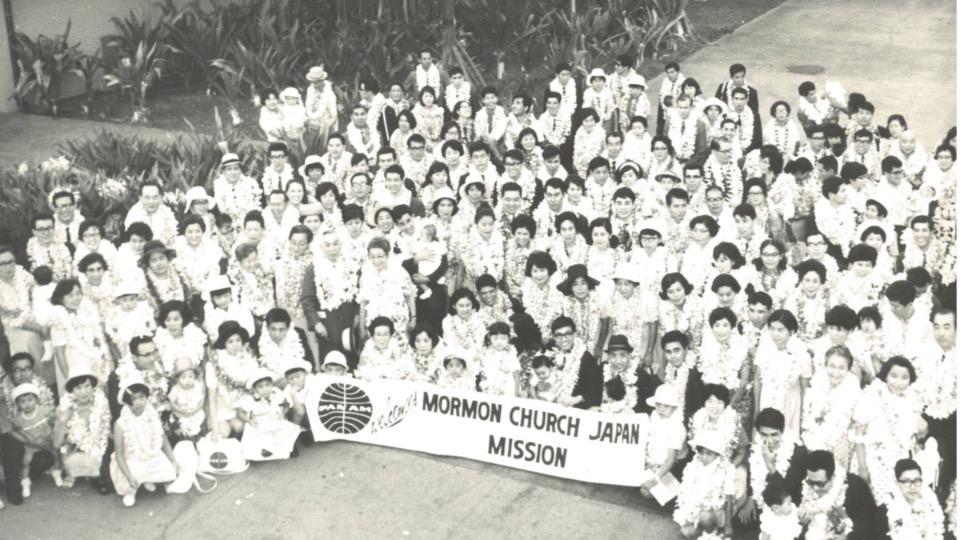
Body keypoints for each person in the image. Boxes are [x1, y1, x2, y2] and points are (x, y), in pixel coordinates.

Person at [852, 356, 926, 503]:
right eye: (893, 376)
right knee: (870, 505)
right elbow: (857, 436)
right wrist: (863, 468)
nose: (898, 382)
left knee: (894, 507)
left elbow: (913, 437)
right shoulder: (871, 397)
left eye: (904, 377)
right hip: (873, 462)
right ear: (885, 375)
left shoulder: (911, 402)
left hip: (898, 463)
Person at [110, 379, 178, 507]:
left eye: (141, 397)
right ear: (127, 402)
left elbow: (162, 439)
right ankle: (132, 490)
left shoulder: (152, 415)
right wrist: (129, 477)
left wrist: (173, 461)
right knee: (131, 479)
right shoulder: (120, 423)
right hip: (132, 459)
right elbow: (119, 454)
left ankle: (148, 480)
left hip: (152, 455)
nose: (139, 402)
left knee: (171, 473)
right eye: (133, 399)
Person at [797, 450, 878, 539]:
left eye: (820, 484)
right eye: (811, 482)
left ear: (833, 476)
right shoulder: (805, 487)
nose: (815, 488)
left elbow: (870, 524)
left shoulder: (856, 487)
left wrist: (847, 537)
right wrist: (803, 522)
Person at [876, 459, 946, 539]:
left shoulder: (933, 505)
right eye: (906, 481)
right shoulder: (885, 512)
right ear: (897, 483)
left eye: (917, 481)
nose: (913, 487)